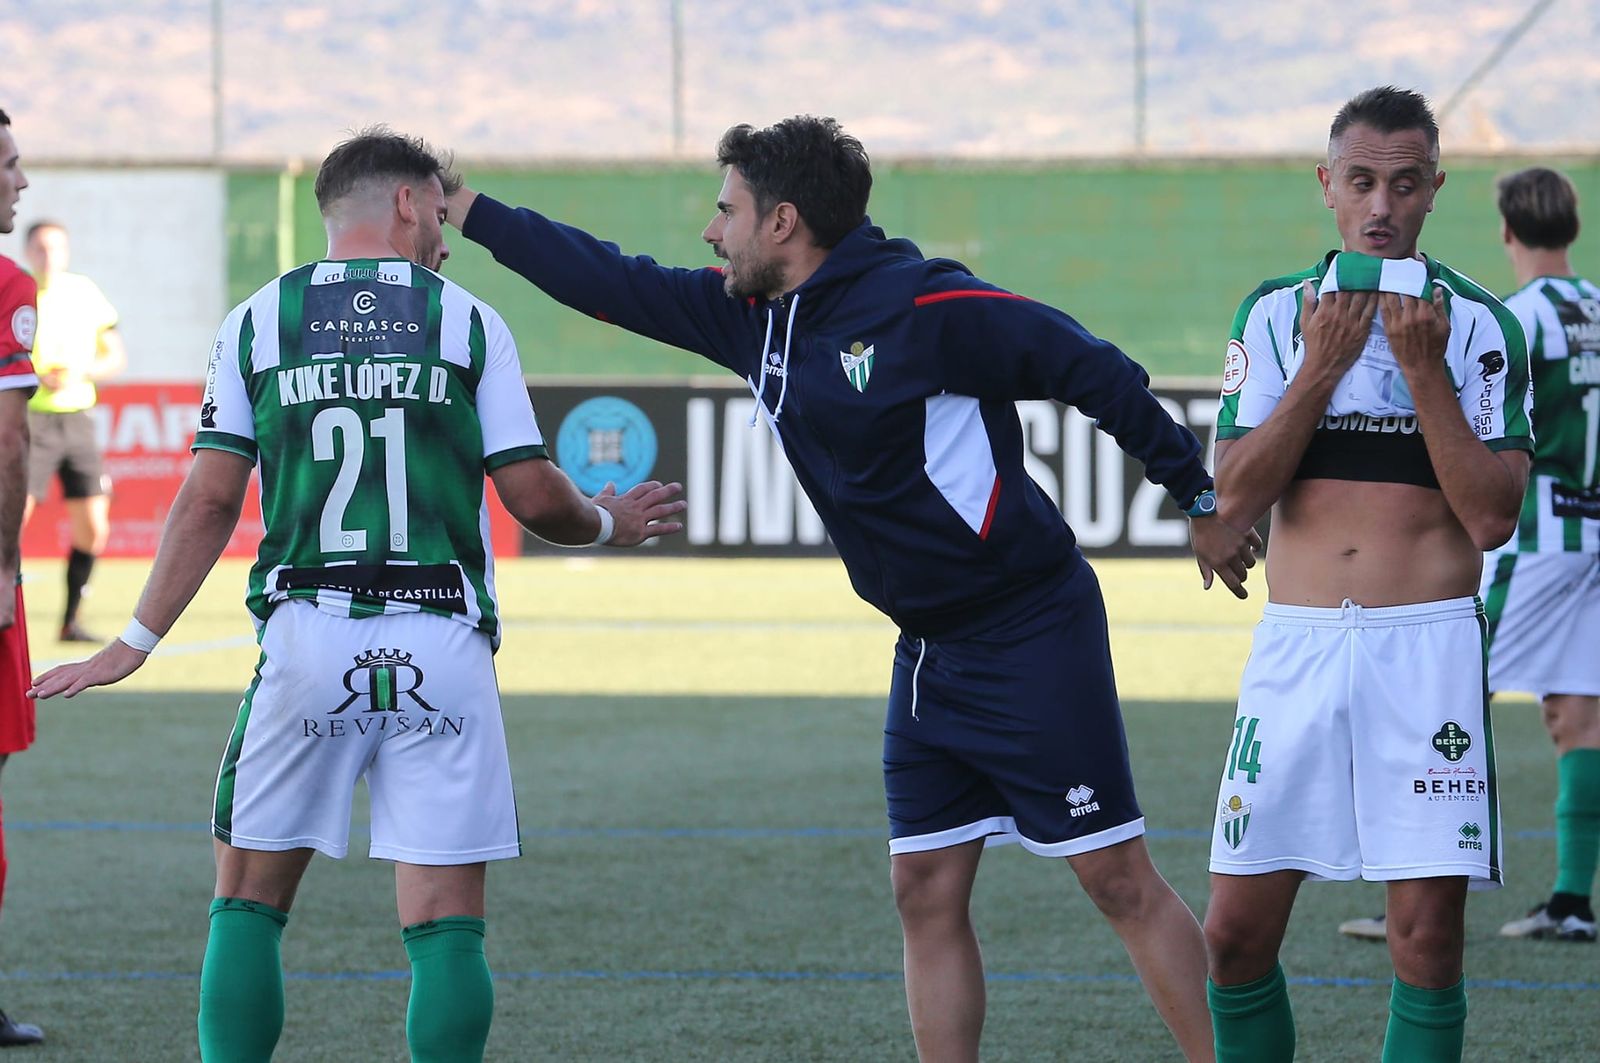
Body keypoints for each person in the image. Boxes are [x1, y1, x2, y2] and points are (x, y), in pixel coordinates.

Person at [442, 114, 1259, 1062]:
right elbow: (609, 280)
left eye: (727, 210)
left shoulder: (928, 308)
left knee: (1117, 879)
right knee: (923, 887)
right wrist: (467, 209)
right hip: (929, 653)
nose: (712, 232)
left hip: (1029, 629)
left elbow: (1095, 368)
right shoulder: (752, 316)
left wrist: (1197, 494)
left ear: (783, 221)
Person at [29, 128, 686, 1062]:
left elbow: (211, 497)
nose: (447, 236)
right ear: (410, 203)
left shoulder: (257, 320)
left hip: (310, 636)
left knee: (248, 895)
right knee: (447, 920)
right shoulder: (465, 319)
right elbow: (535, 495)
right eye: (441, 210)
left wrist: (131, 641)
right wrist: (612, 522)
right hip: (444, 643)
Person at [1204, 86, 1532, 1062]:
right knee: (1230, 936)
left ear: (1435, 188)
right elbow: (1229, 496)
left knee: (1424, 941)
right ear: (1327, 188)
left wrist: (1421, 371)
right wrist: (1320, 367)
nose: (1380, 206)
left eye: (1402, 183)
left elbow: (1490, 516)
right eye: (1360, 182)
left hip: (1422, 652)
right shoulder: (1272, 316)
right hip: (1297, 651)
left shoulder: (1475, 326)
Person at [1339, 167, 1600, 947]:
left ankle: (1407, 904)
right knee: (1577, 712)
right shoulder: (1596, 307)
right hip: (1593, 534)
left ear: (1507, 232)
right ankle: (1570, 901)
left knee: (1440, 698)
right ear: (1572, 227)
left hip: (1537, 534)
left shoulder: (1516, 317)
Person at [21, 219, 126, 642]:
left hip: (77, 420)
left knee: (94, 528)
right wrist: (32, 376)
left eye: (56, 248)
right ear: (28, 252)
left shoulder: (83, 292)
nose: (48, 256)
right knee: (13, 519)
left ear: (66, 252)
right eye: (41, 249)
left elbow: (114, 357)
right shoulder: (18, 291)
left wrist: (79, 372)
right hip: (29, 421)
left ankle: (70, 622)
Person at [0, 106, 45, 1050]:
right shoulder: (6, 282)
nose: (21, 182)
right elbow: (7, 436)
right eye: (9, 165)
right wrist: (2, 561)